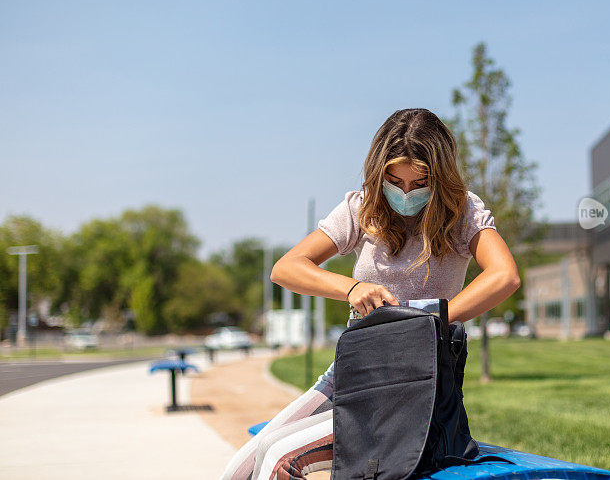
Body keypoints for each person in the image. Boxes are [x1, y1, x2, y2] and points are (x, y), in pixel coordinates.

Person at [219, 108, 521, 480]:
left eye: (420, 181)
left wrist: (429, 321)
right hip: (354, 367)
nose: (406, 193)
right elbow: (286, 268)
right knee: (241, 468)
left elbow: (505, 276)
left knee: (279, 457)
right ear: (380, 174)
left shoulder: (462, 211)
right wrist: (352, 288)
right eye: (395, 180)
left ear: (439, 177)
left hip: (413, 378)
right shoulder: (363, 207)